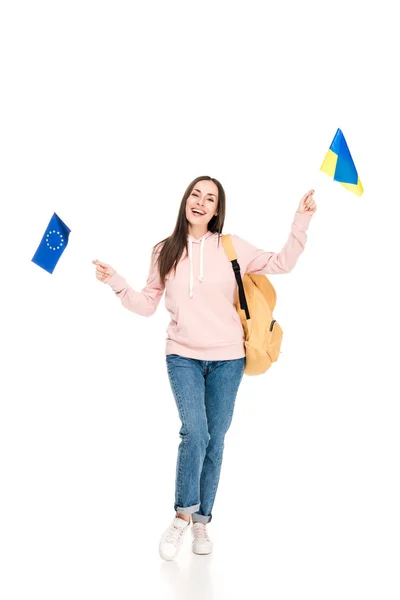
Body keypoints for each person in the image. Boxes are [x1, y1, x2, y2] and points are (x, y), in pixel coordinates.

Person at [92, 175, 316, 561]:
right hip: (182, 356)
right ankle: (182, 516)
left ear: (216, 210)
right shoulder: (164, 250)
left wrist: (301, 220)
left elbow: (282, 263)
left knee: (215, 440)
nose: (200, 202)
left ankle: (202, 523)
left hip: (229, 359)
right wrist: (115, 281)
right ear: (186, 200)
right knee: (194, 432)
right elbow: (147, 304)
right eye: (196, 194)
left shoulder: (231, 246)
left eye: (210, 198)